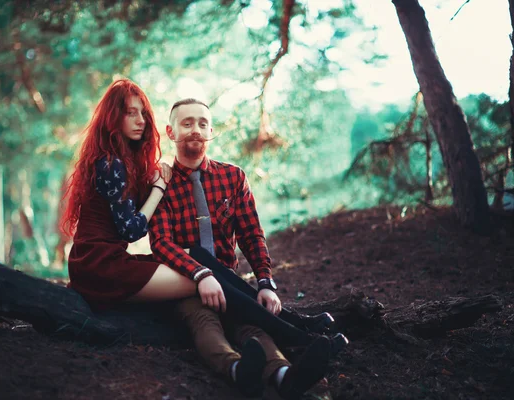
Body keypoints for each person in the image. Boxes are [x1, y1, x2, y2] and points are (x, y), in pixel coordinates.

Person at [148, 98, 348, 399]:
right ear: (171, 132)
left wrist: (265, 283)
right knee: (205, 323)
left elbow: (252, 235)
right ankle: (238, 370)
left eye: (202, 123)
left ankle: (284, 375)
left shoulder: (233, 177)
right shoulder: (161, 182)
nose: (195, 130)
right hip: (183, 282)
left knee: (251, 326)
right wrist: (200, 274)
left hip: (228, 281)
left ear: (211, 131)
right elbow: (160, 243)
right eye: (187, 123)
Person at [61, 78, 201, 310]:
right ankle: (270, 323)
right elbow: (131, 230)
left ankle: (266, 319)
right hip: (99, 268)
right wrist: (158, 188)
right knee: (203, 279)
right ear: (113, 117)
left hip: (105, 262)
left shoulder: (122, 162)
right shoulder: (110, 163)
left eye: (143, 114)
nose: (141, 121)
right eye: (130, 113)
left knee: (201, 266)